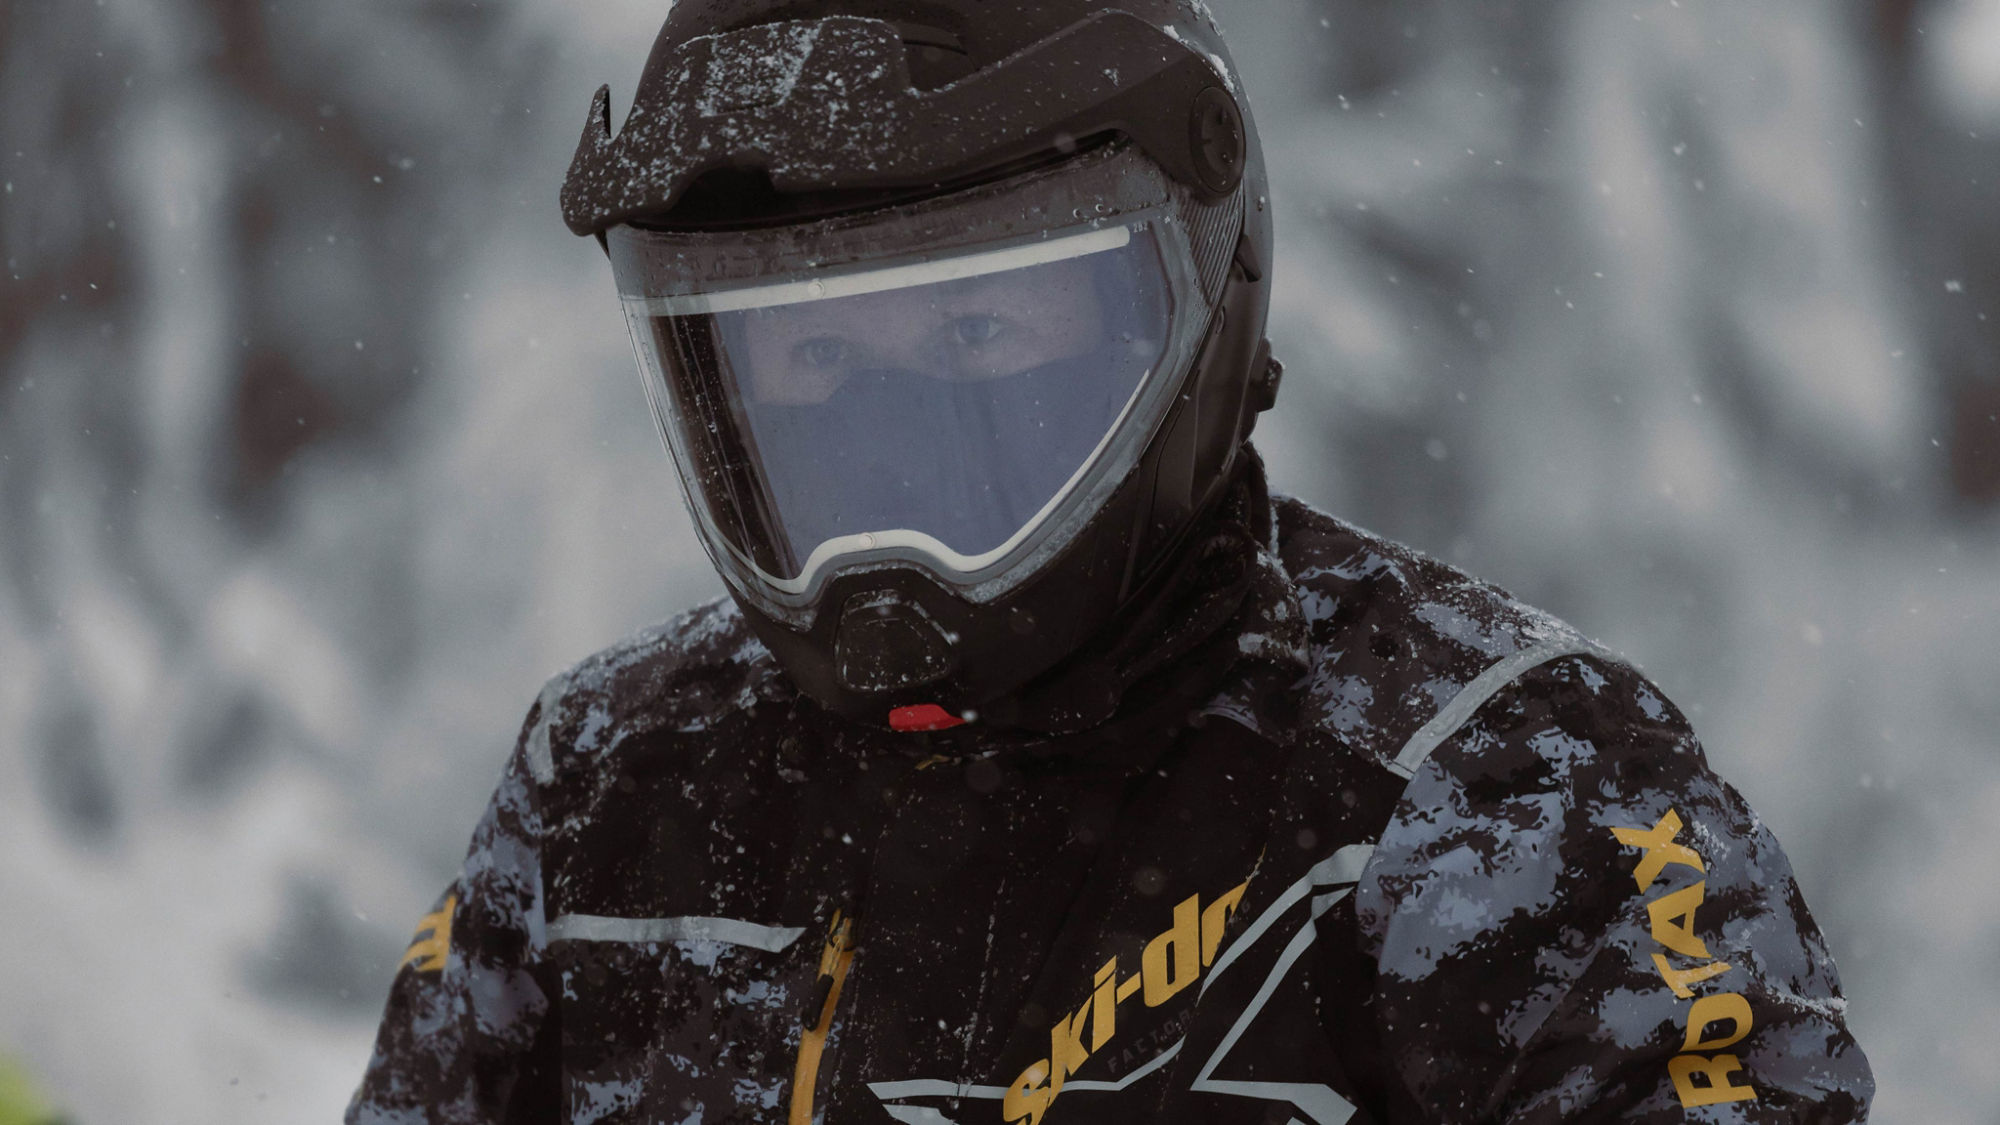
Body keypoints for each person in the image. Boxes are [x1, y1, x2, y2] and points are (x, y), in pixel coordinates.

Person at [348, 2, 1874, 1122]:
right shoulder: (612, 787)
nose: (891, 446)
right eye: (806, 353)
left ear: (1179, 317)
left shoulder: (1505, 788)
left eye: (976, 331)